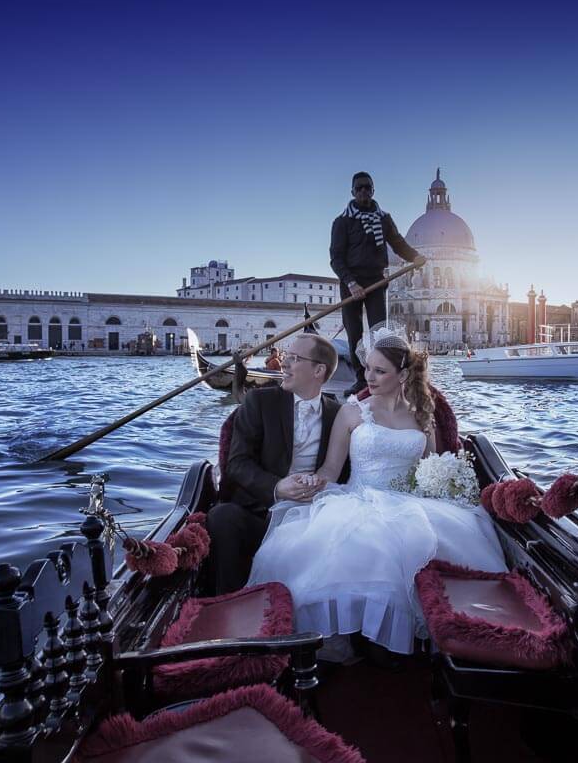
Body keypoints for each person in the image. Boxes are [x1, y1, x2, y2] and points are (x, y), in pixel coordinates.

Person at [247, 326, 506, 661]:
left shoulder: (423, 416)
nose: (369, 376)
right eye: (367, 367)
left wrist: (446, 486)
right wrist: (310, 483)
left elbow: (427, 472)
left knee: (424, 539)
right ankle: (358, 635)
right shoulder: (352, 411)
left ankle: (408, 637)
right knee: (365, 542)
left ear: (403, 375)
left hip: (411, 503)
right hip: (357, 498)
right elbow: (329, 470)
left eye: (380, 371)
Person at [206, 334, 347, 595]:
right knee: (223, 517)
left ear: (319, 370)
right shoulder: (259, 402)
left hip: (315, 516)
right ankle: (231, 604)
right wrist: (277, 487)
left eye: (294, 358)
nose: (284, 364)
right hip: (261, 511)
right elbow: (237, 463)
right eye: (286, 356)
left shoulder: (338, 414)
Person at [330, 172, 426, 395]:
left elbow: (398, 242)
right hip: (350, 283)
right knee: (354, 333)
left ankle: (383, 376)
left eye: (367, 188)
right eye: (359, 188)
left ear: (373, 191)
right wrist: (351, 283)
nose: (363, 191)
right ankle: (360, 380)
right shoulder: (342, 222)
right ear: (353, 192)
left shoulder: (384, 219)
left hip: (376, 281)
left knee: (379, 332)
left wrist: (414, 257)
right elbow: (336, 257)